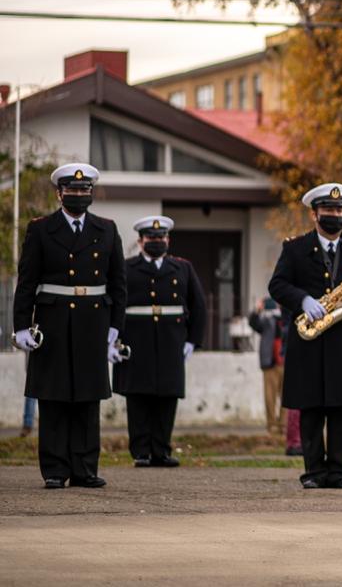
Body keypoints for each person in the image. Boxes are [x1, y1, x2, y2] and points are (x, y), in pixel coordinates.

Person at [10, 163, 126, 489]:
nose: (78, 195)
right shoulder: (41, 229)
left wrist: (116, 327)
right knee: (53, 398)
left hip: (93, 322)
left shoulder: (107, 229)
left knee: (88, 399)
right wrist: (21, 326)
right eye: (72, 190)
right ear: (59, 193)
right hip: (53, 322)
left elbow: (118, 284)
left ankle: (85, 469)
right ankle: (55, 470)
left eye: (84, 190)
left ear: (91, 193)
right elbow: (27, 282)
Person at [268, 182, 342, 489]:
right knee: (311, 409)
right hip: (310, 340)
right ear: (314, 214)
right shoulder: (294, 249)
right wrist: (303, 300)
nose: (335, 214)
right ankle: (313, 472)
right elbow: (277, 285)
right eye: (329, 210)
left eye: (339, 210)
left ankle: (338, 472)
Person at [113, 215, 208, 468]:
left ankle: (161, 450)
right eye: (151, 238)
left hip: (170, 340)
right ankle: (141, 451)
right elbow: (114, 304)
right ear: (141, 241)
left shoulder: (182, 268)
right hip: (136, 338)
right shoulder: (126, 267)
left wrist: (193, 341)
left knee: (167, 397)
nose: (157, 241)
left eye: (161, 237)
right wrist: (113, 339)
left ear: (168, 239)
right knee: (138, 397)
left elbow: (198, 305)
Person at [248, 297, 286, 434]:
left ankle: (283, 425)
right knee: (269, 396)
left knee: (286, 397)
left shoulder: (287, 318)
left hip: (286, 362)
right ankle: (272, 425)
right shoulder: (266, 321)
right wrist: (257, 310)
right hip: (270, 363)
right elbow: (253, 323)